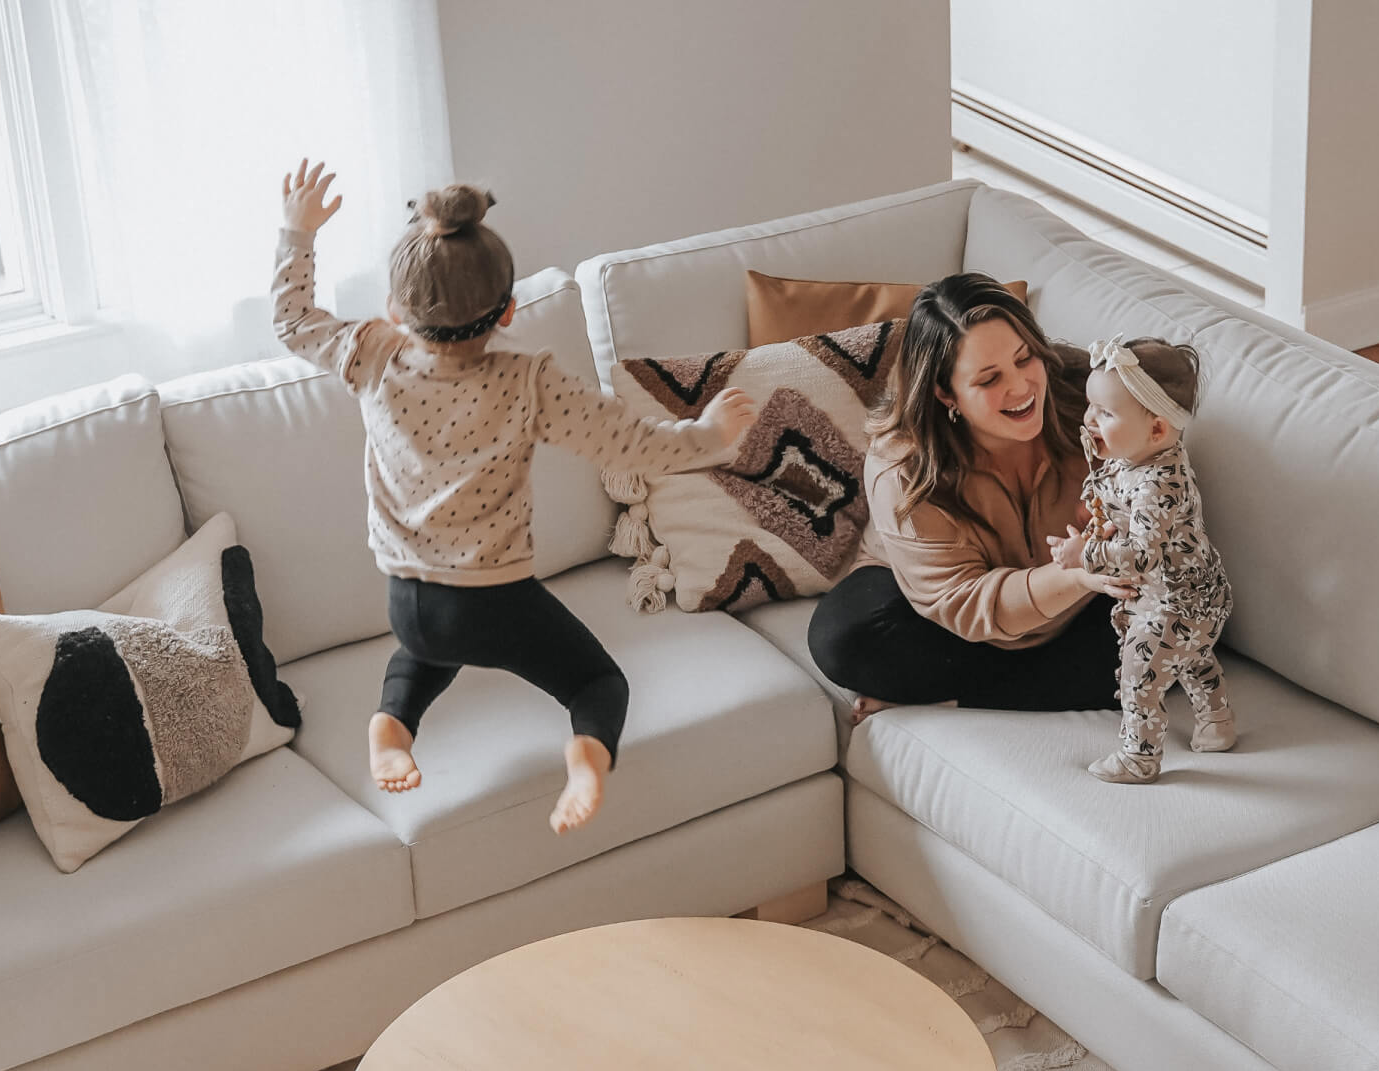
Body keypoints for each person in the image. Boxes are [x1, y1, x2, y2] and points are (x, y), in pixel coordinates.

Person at [271, 160, 757, 831]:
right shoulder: (528, 383)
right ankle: (586, 761)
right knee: (597, 683)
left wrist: (297, 233)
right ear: (506, 312)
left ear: (394, 308)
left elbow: (293, 321)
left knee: (422, 654)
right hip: (492, 601)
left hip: (408, 600)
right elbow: (631, 445)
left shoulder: (370, 352)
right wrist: (707, 434)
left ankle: (392, 724)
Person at [806, 272, 1137, 723]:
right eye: (989, 379)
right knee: (843, 640)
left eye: (1025, 359)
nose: (1020, 388)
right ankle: (1025, 685)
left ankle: (953, 695)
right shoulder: (904, 466)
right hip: (948, 614)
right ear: (946, 393)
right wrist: (1078, 576)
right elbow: (967, 604)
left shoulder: (1085, 393)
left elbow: (1160, 466)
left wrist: (1126, 522)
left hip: (1078, 599)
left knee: (1176, 634)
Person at [1053, 336, 1233, 784]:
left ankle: (1139, 756)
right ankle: (1217, 722)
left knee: (1140, 672)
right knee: (1191, 657)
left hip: (1174, 605)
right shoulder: (1142, 460)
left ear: (1156, 429)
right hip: (1198, 597)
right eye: (1090, 406)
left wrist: (1085, 555)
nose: (1090, 419)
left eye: (1105, 413)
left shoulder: (1157, 485)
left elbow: (1139, 556)